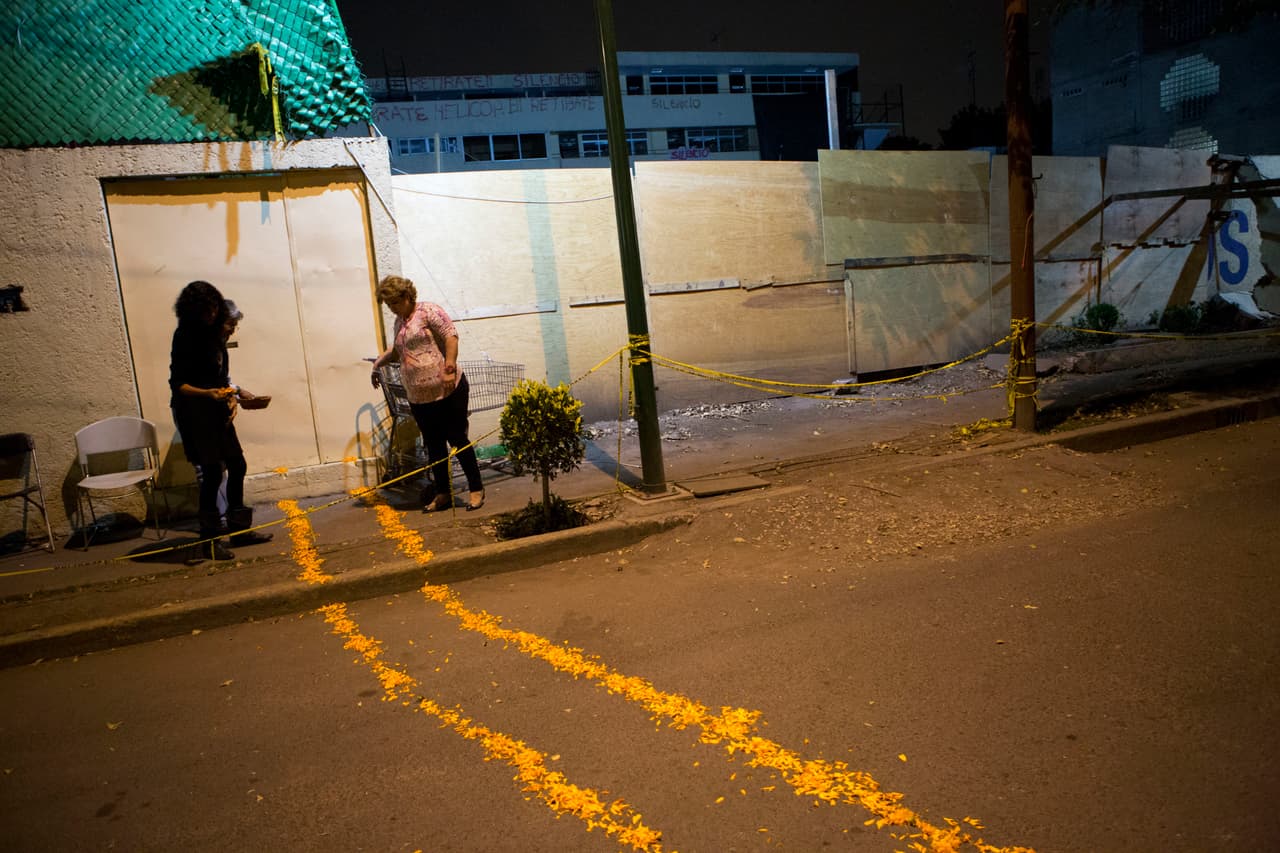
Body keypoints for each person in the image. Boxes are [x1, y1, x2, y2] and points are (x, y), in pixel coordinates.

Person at [169, 282, 272, 560]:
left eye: (216, 310)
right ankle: (211, 541)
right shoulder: (185, 337)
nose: (216, 317)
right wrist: (210, 394)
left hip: (216, 411)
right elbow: (178, 384)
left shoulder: (216, 340)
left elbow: (219, 379)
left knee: (237, 464)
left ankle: (239, 532)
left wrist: (235, 394)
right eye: (211, 310)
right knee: (213, 473)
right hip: (193, 413)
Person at [370, 275, 484, 512]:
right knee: (434, 445)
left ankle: (476, 488)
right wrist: (378, 362)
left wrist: (449, 367)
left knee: (457, 439)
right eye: (388, 305)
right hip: (419, 398)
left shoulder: (428, 311)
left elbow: (451, 336)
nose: (392, 309)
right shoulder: (400, 322)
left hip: (447, 390)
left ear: (406, 296)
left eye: (394, 303)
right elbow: (398, 350)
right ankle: (443, 493)